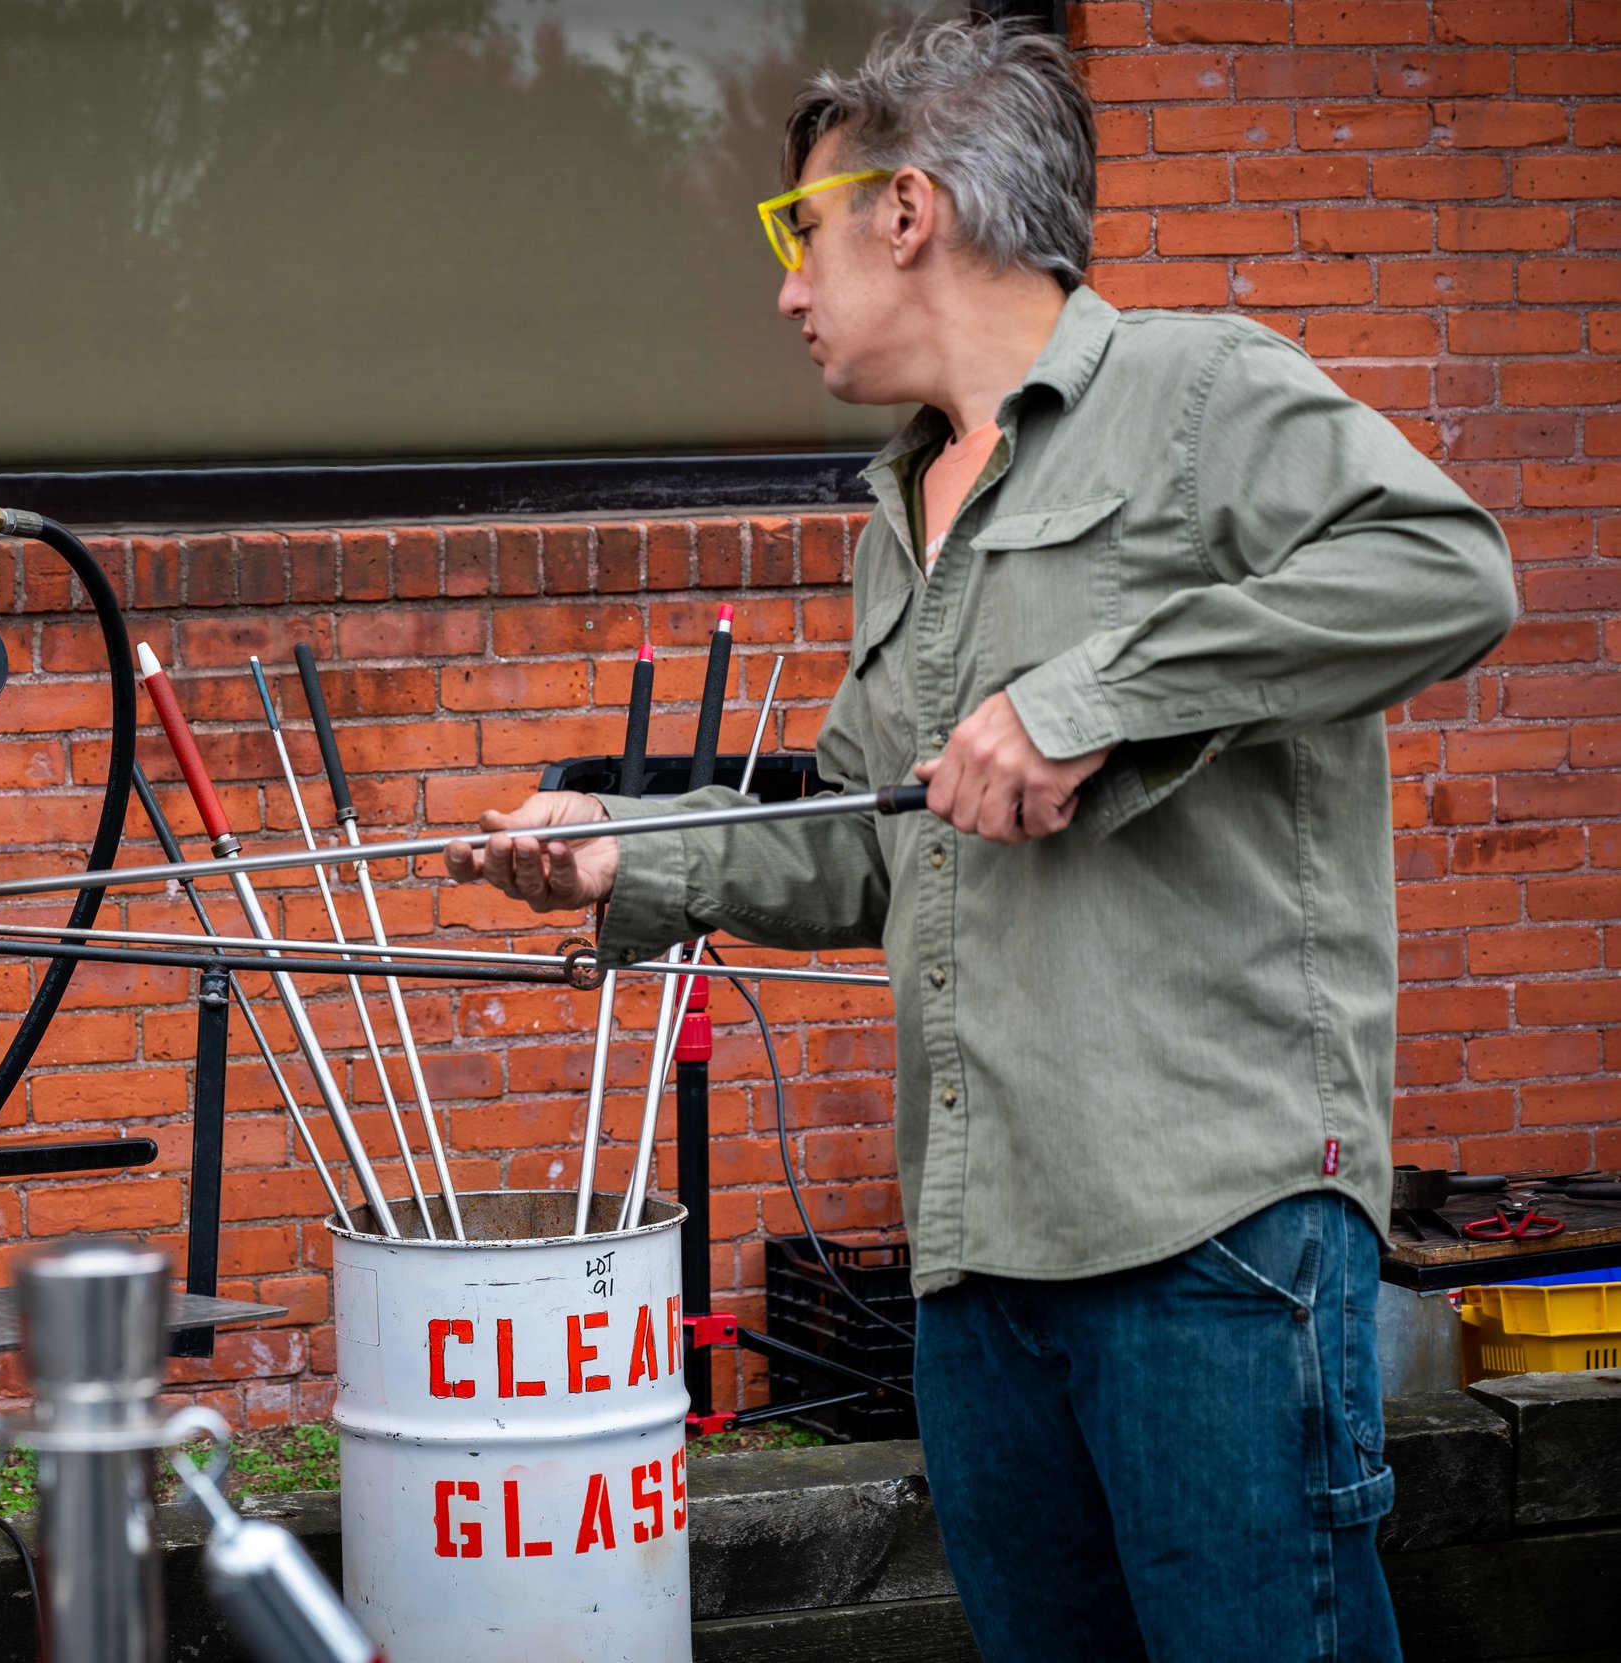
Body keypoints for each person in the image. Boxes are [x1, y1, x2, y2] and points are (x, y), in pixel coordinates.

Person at [443, 19, 1515, 1662]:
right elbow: (876, 847)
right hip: (976, 1267)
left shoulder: (1199, 390)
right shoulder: (902, 512)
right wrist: (628, 853)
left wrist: (1093, 699)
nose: (788, 292)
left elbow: (1449, 572)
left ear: (906, 209)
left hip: (1212, 1239)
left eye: (797, 233)